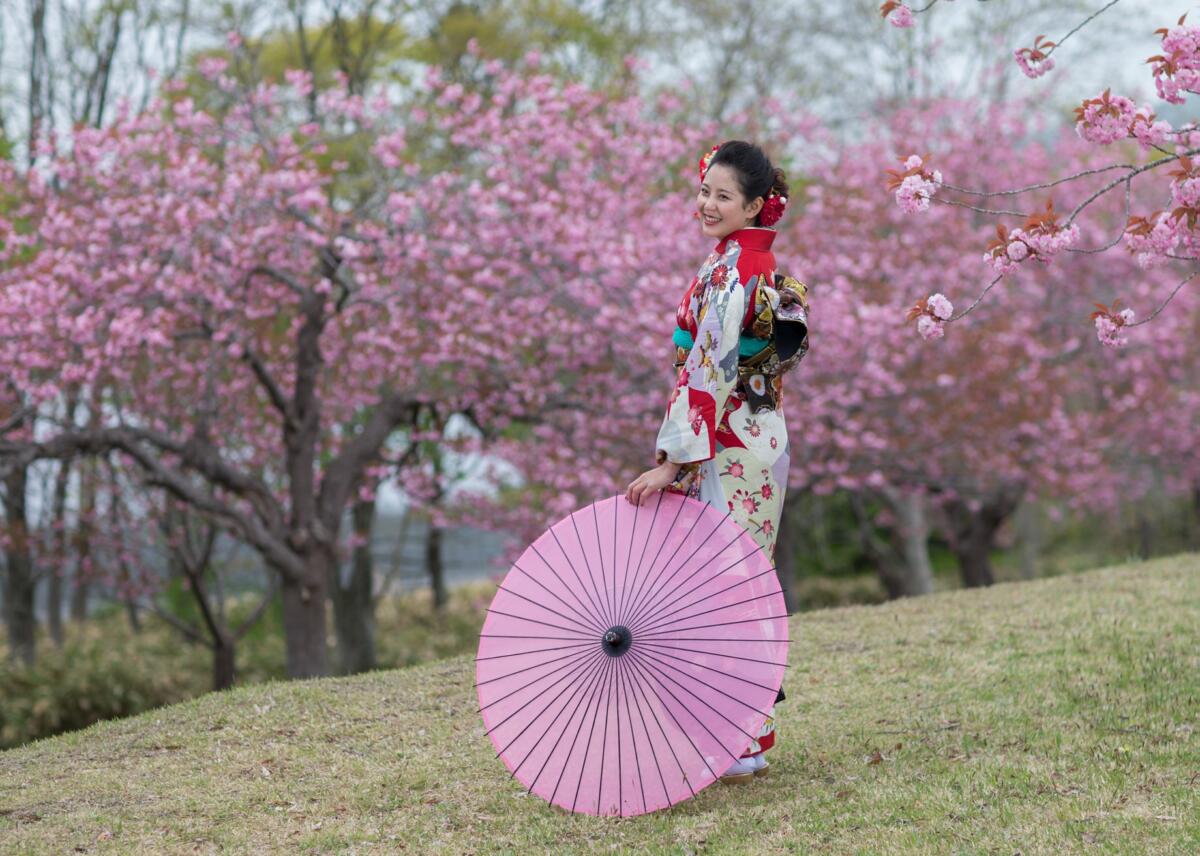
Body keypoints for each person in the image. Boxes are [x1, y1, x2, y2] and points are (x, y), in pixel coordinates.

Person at [623, 139, 806, 785]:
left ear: (756, 205)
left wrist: (672, 462)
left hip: (733, 442)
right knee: (728, 584)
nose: (707, 204)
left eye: (723, 196)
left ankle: (738, 740)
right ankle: (741, 735)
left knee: (726, 587)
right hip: (743, 435)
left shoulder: (741, 272)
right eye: (705, 191)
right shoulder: (731, 262)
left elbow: (708, 370)